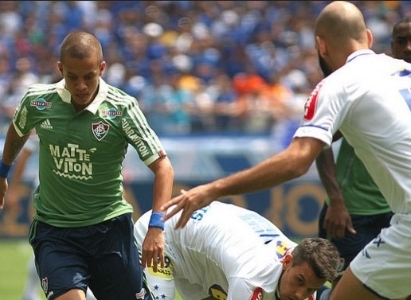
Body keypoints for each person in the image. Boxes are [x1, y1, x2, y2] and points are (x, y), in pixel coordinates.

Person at [161, 2, 411, 300]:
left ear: (320, 45)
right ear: (369, 38)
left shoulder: (338, 84)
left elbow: (296, 161)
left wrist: (213, 189)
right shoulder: (404, 70)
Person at [0, 30, 175, 300]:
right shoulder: (37, 101)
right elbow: (17, 130)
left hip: (109, 230)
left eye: (89, 76)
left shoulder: (122, 108)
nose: (81, 86)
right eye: (72, 77)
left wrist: (157, 227)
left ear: (101, 68)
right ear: (60, 69)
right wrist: (2, 174)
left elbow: (163, 167)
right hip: (55, 230)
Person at [314, 15, 411, 286]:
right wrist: (336, 200)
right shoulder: (372, 90)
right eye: (401, 41)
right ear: (389, 45)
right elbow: (319, 142)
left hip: (396, 214)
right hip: (351, 214)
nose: (408, 48)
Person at [135, 201, 340, 300]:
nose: (299, 295)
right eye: (300, 281)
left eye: (311, 289)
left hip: (203, 255)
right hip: (163, 238)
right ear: (287, 262)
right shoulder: (251, 278)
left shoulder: (302, 264)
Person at [5, 133, 97, 300]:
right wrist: (13, 190)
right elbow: (25, 154)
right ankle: (37, 291)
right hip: (48, 191)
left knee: (54, 241)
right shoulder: (48, 117)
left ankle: (31, 292)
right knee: (49, 239)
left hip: (74, 192)